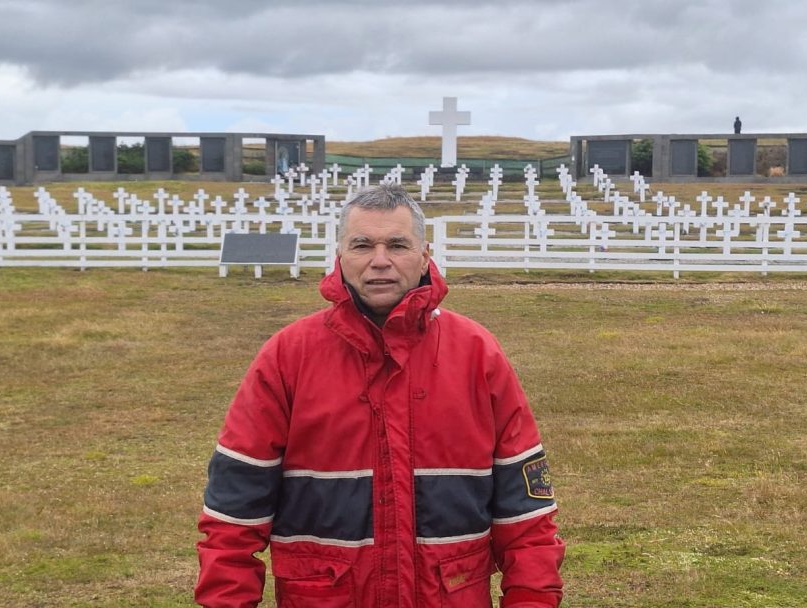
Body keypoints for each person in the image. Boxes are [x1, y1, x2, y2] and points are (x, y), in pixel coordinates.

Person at [196, 184, 564, 607]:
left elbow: (528, 518)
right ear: (340, 257)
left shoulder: (478, 354)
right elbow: (232, 516)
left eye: (397, 245)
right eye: (362, 245)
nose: (380, 261)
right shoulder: (287, 357)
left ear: (425, 255)